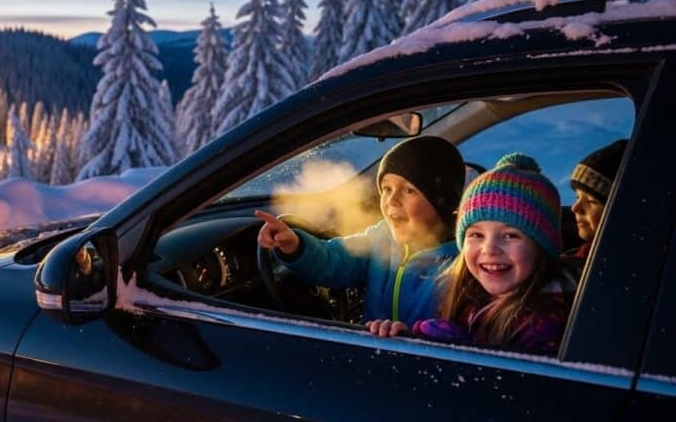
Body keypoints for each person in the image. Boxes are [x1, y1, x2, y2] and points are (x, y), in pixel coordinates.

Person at [368, 153, 569, 354]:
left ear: (541, 245)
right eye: (476, 235)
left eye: (510, 235)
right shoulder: (466, 295)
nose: (489, 249)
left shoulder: (545, 327)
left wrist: (464, 350)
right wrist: (404, 336)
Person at [256, 135, 465, 324]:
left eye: (409, 190)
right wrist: (295, 246)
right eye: (386, 188)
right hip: (368, 352)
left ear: (442, 201)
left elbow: (458, 334)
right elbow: (333, 260)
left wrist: (410, 337)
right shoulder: (381, 238)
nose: (392, 200)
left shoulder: (460, 264)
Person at [567, 139, 628, 261]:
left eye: (591, 201)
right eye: (577, 197)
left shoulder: (612, 262)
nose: (574, 208)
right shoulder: (576, 258)